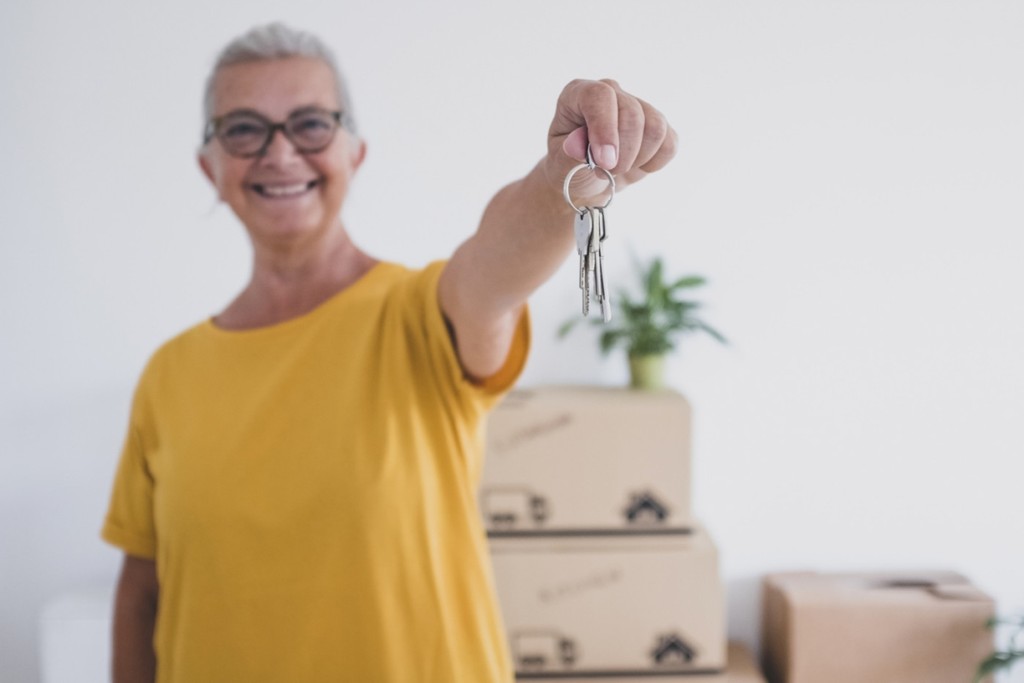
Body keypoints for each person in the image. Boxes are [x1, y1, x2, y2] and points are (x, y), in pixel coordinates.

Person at [101, 21, 677, 683]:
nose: (280, 153)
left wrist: (558, 179)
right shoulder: (169, 374)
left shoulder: (421, 313)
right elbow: (140, 592)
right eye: (243, 129)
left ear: (355, 152)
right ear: (211, 167)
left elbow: (494, 266)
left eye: (311, 124)